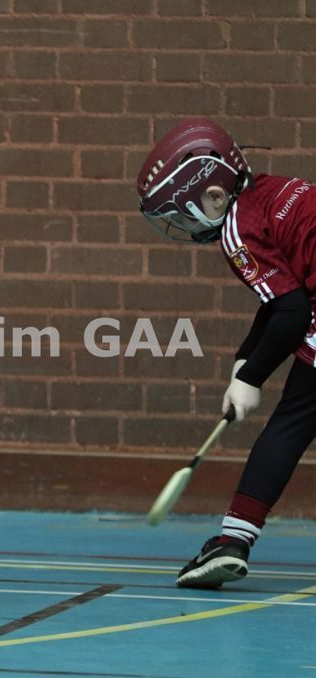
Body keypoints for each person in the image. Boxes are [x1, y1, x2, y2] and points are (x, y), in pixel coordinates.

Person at [136, 117, 316, 589]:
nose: (185, 225)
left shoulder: (236, 230)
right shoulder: (275, 190)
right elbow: (283, 296)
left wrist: (251, 378)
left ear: (214, 196)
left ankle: (233, 541)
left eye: (184, 214)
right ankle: (233, 540)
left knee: (293, 420)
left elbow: (293, 312)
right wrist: (245, 359)